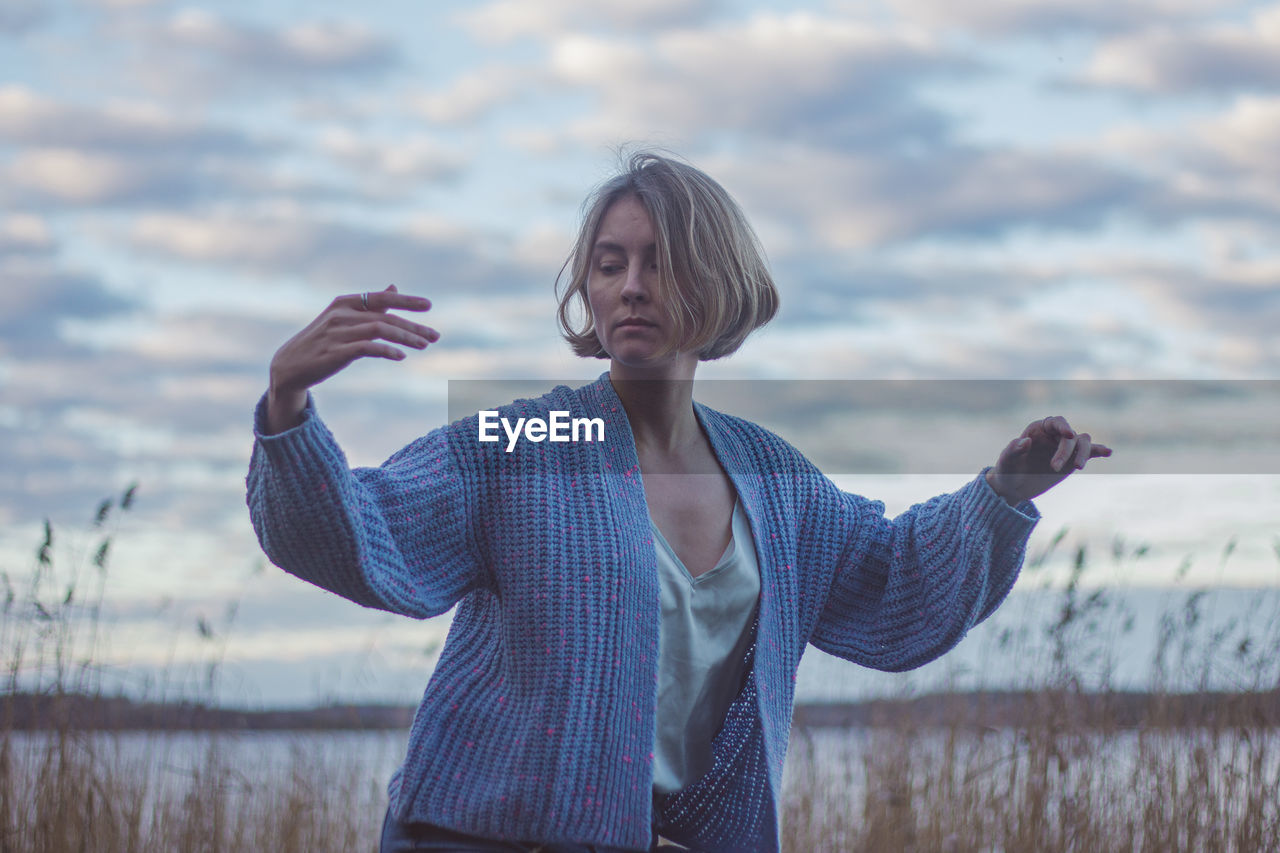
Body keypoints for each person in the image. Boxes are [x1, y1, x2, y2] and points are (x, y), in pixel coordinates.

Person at [246, 151, 1111, 853]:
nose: (629, 286)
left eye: (659, 262)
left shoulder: (771, 477)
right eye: (610, 262)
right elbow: (367, 532)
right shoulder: (539, 445)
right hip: (475, 835)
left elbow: (895, 584)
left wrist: (1002, 495)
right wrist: (288, 405)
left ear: (716, 280)